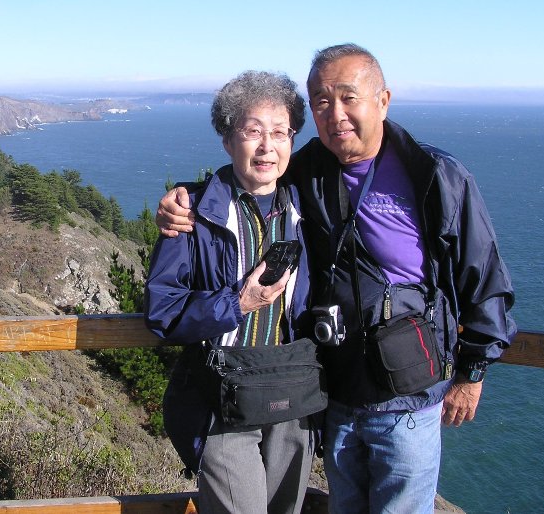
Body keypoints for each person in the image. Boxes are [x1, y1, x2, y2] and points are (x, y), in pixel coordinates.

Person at [155, 44, 516, 514]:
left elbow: (482, 275)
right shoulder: (307, 172)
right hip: (333, 396)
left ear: (383, 100)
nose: (336, 114)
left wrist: (472, 372)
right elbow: (247, 181)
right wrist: (183, 201)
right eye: (322, 101)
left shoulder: (433, 175)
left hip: (407, 397)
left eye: (349, 97)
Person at [144, 70, 326, 514]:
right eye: (252, 131)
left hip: (292, 395)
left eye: (280, 132)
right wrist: (239, 302)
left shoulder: (310, 207)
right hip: (220, 398)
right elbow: (162, 313)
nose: (268, 146)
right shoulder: (193, 216)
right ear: (228, 140)